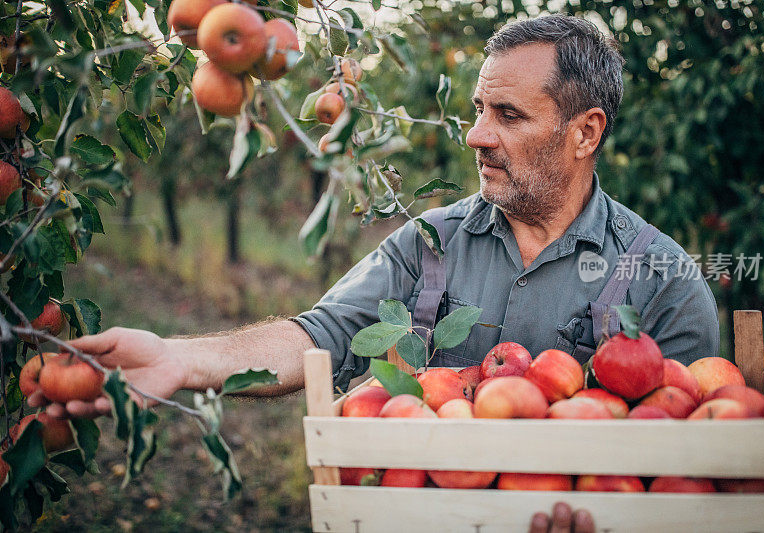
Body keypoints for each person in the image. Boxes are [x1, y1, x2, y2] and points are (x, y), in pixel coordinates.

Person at [30, 14, 719, 533]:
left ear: (585, 132)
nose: (476, 135)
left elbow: (692, 472)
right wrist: (179, 358)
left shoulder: (661, 279)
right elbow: (318, 334)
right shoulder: (429, 242)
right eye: (479, 109)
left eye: (507, 115)